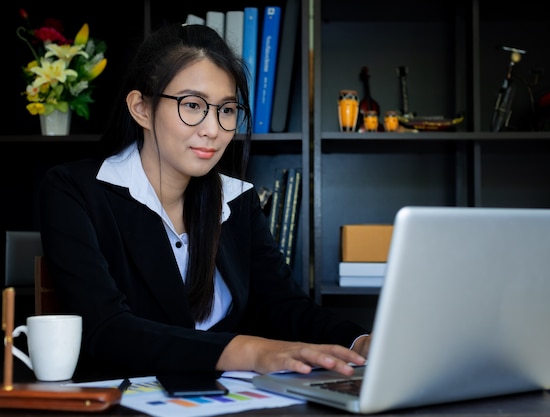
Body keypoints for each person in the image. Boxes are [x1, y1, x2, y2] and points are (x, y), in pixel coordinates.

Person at [38, 22, 371, 380]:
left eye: (226, 110)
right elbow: (107, 329)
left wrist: (358, 341)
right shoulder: (75, 190)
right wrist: (249, 350)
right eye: (193, 105)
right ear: (141, 109)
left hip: (229, 401)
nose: (212, 129)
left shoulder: (237, 199)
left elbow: (284, 305)